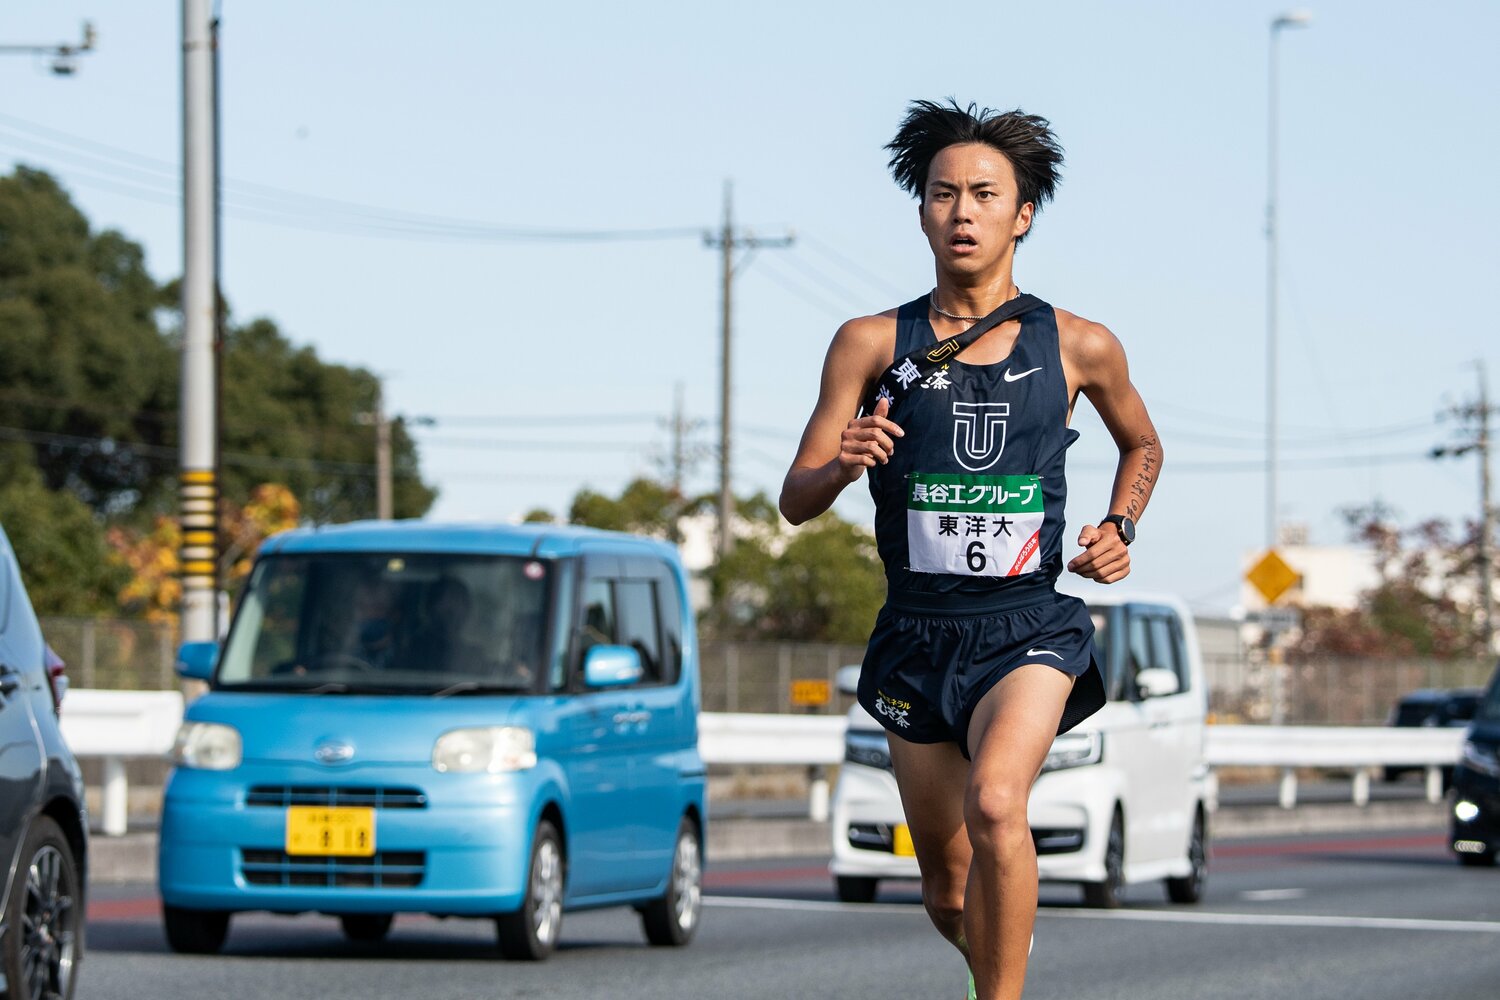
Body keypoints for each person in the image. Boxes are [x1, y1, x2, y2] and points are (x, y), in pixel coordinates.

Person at [780, 100, 1162, 1000]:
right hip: (917, 635)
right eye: (944, 193)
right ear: (921, 211)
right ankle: (992, 956)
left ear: (1021, 214)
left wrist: (1121, 526)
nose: (963, 211)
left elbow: (1142, 444)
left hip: (1028, 627)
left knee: (997, 802)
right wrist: (842, 464)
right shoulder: (870, 343)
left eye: (985, 194)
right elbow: (796, 500)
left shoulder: (1081, 344)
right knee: (949, 893)